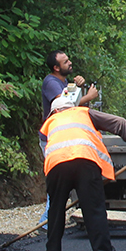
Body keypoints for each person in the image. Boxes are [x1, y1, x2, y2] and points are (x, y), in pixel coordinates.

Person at [39, 85, 126, 251]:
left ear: (55, 111)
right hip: (86, 162)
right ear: (72, 108)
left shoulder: (50, 123)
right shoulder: (84, 113)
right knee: (94, 210)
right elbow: (120, 123)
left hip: (57, 166)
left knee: (55, 210)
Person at [38, 50, 99, 231]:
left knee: (61, 177)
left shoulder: (63, 82)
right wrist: (88, 96)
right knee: (57, 177)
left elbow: (72, 100)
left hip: (63, 136)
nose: (70, 63)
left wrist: (77, 86)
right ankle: (48, 221)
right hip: (53, 138)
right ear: (56, 67)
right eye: (66, 62)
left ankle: (51, 219)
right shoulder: (51, 83)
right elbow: (62, 107)